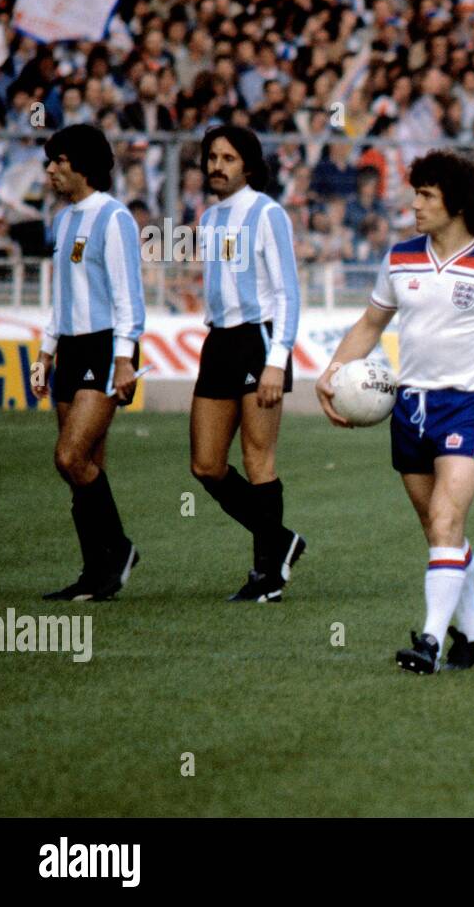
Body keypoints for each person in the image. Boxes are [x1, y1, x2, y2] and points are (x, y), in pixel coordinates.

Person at [316, 151, 474, 673]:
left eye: (426, 195)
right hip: (408, 408)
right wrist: (332, 372)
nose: (415, 204)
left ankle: (430, 640)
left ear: (457, 201)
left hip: (469, 407)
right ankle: (473, 633)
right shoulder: (400, 258)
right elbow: (368, 324)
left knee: (449, 519)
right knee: (439, 531)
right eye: (416, 193)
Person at [188, 125, 305, 602]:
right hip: (219, 342)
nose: (217, 165)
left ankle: (267, 576)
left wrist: (277, 360)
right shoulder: (209, 219)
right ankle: (280, 540)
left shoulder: (268, 213)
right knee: (206, 464)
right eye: (212, 157)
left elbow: (288, 293)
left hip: (259, 343)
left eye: (229, 158)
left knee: (258, 458)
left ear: (249, 167)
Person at [33, 124, 145, 601]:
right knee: (85, 463)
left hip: (104, 348)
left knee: (69, 456)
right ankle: (95, 571)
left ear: (82, 164)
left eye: (58, 160)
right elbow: (60, 297)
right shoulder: (63, 221)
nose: (51, 169)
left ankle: (118, 549)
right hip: (72, 348)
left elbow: (128, 299)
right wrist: (45, 350)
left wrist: (124, 360)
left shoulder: (114, 218)